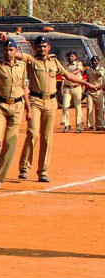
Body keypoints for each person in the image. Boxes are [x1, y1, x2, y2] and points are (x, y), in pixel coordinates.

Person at [18, 35, 98, 182]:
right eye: (39, 46)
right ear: (35, 48)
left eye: (45, 46)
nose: (42, 48)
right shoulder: (31, 60)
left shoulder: (54, 61)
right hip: (35, 100)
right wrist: (5, 41)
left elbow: (67, 75)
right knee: (33, 133)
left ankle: (43, 171)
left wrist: (86, 84)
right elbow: (18, 55)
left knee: (47, 138)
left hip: (51, 102)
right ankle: (24, 167)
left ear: (48, 47)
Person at [0, 39, 29, 190]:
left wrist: (28, 109)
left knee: (10, 143)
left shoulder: (22, 67)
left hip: (17, 106)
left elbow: (24, 87)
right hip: (0, 105)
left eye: (11, 50)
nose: (8, 53)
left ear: (16, 51)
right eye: (6, 50)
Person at [61, 51, 85, 133]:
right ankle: (67, 124)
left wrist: (69, 74)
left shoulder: (78, 63)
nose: (70, 58)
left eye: (71, 56)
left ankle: (78, 126)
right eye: (68, 56)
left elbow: (78, 71)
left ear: (75, 57)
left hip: (77, 87)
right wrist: (62, 87)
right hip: (67, 88)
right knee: (65, 106)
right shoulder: (65, 65)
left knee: (78, 107)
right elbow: (63, 78)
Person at [85, 56, 105, 130]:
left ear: (98, 62)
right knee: (89, 108)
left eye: (95, 61)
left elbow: (99, 74)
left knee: (99, 109)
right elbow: (87, 79)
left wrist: (93, 71)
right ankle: (90, 125)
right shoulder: (88, 70)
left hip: (98, 90)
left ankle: (99, 124)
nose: (94, 62)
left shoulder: (101, 69)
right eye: (93, 61)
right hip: (90, 91)